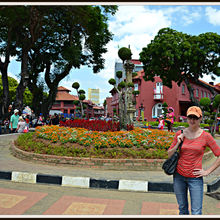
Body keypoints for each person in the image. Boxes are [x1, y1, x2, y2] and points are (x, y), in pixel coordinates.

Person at [168, 106, 220, 215]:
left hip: (195, 179)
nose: (192, 120)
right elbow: (169, 154)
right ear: (186, 118)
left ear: (200, 118)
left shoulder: (206, 136)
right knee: (182, 208)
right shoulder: (179, 133)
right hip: (179, 176)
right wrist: (178, 142)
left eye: (195, 118)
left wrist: (207, 171)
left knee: (196, 212)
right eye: (190, 117)